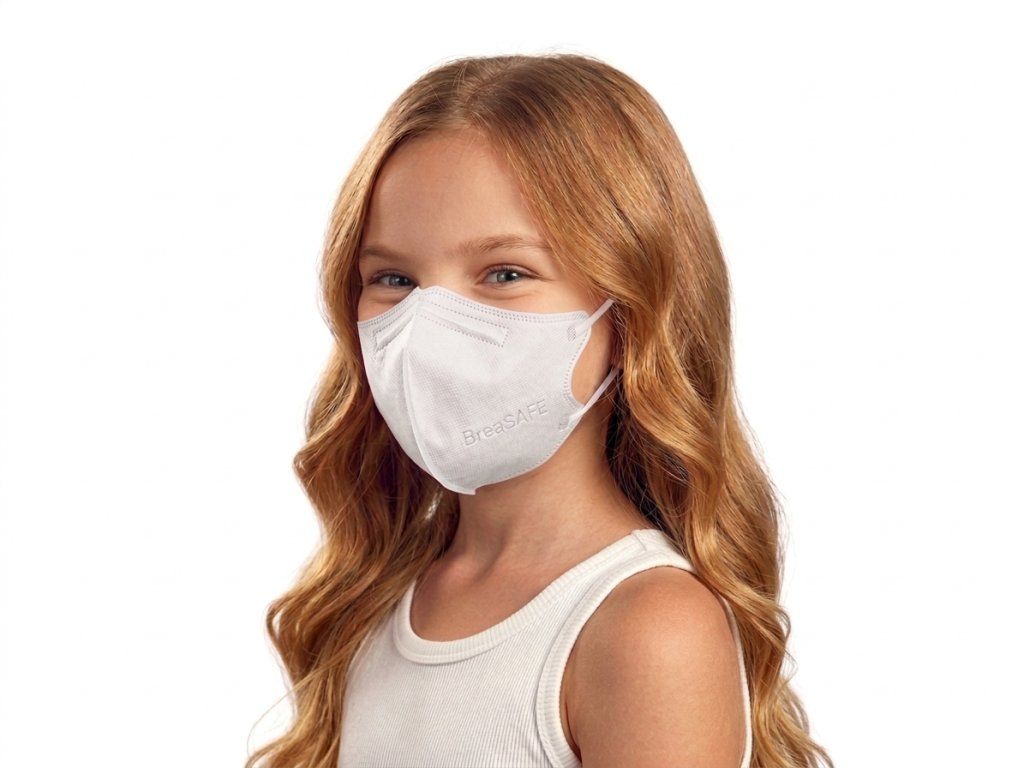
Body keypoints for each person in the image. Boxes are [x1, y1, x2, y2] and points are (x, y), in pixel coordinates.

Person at [246, 53, 833, 768]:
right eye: (393, 278)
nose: (431, 326)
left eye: (505, 273)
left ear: (632, 306)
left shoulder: (647, 628)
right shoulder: (375, 595)